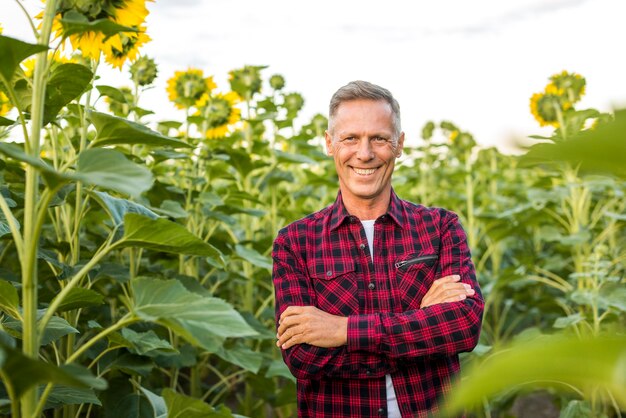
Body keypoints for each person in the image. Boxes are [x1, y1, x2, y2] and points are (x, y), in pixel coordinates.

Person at [272, 80, 484, 417]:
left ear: (399, 145)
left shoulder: (441, 227)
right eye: (350, 138)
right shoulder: (296, 242)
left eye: (380, 139)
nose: (365, 153)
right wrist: (420, 324)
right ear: (330, 143)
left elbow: (463, 326)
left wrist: (341, 330)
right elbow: (303, 357)